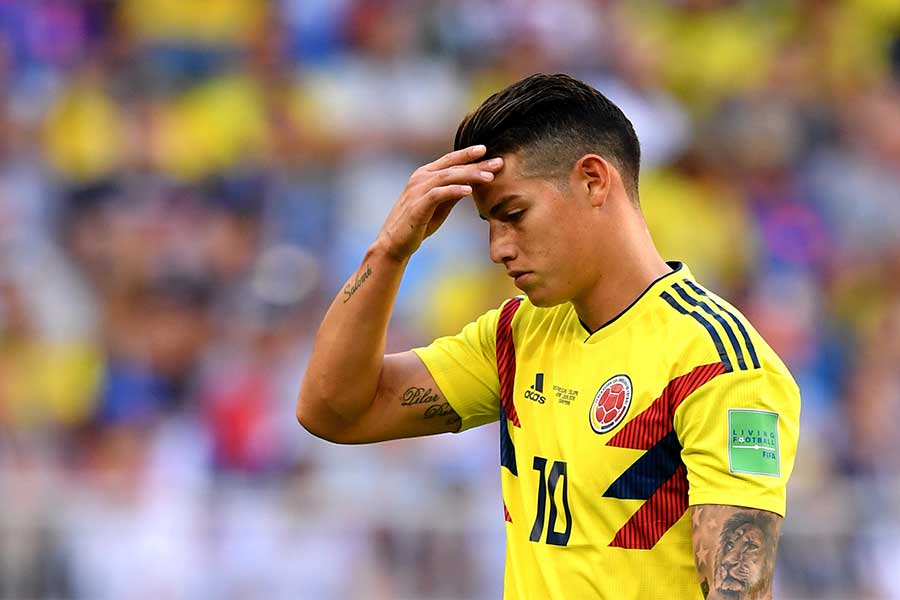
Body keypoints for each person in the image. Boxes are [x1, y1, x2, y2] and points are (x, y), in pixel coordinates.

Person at [297, 73, 800, 599]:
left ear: (593, 181)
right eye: (489, 225)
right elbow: (333, 411)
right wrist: (389, 251)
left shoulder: (718, 363)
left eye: (513, 215)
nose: (498, 248)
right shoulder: (516, 336)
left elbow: (739, 591)